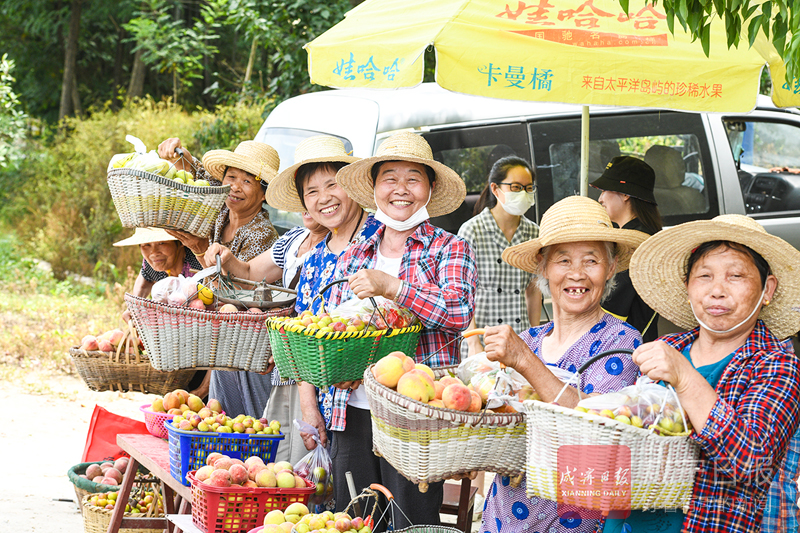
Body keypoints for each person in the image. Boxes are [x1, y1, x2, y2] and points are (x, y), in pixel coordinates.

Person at [309, 131, 477, 529]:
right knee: (353, 518)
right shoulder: (357, 252)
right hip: (351, 410)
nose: (401, 190)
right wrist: (337, 372)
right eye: (390, 178)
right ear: (374, 188)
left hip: (414, 416)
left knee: (410, 520)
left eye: (413, 179)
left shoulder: (449, 248)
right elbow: (339, 327)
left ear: (429, 189)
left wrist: (395, 288)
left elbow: (458, 310)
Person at [613, 214, 800, 532]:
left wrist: (684, 378)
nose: (717, 290)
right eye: (704, 276)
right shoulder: (668, 346)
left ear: (767, 289)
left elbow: (751, 463)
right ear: (687, 287)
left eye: (736, 275)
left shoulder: (777, 366)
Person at [479, 195, 648, 533]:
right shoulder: (527, 339)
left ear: (611, 267)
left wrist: (525, 363)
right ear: (542, 266)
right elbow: (498, 428)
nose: (577, 274)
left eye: (591, 260)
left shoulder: (623, 344)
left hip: (574, 523)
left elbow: (596, 429)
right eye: (563, 260)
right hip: (502, 518)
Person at [213, 135, 380, 459]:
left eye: (332, 186)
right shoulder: (310, 252)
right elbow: (303, 326)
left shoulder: (380, 240)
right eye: (311, 192)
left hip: (373, 401)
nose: (323, 199)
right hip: (321, 395)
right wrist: (309, 405)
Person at [157, 138, 282, 416]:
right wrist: (180, 156)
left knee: (249, 418)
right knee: (222, 415)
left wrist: (198, 248)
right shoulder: (224, 209)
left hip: (252, 342)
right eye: (232, 177)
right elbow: (200, 177)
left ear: (264, 195)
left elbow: (236, 293)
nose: (236, 186)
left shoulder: (262, 234)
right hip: (226, 336)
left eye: (248, 182)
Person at [458, 155, 541, 358]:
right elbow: (461, 293)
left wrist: (534, 335)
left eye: (528, 188)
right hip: (481, 336)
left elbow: (534, 290)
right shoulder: (472, 230)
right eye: (516, 187)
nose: (523, 193)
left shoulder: (534, 233)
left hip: (519, 335)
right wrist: (473, 343)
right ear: (495, 189)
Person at [591, 155, 662, 342]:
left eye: (606, 190)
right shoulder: (629, 235)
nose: (600, 198)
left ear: (625, 194)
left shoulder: (636, 244)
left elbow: (610, 306)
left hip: (624, 350)